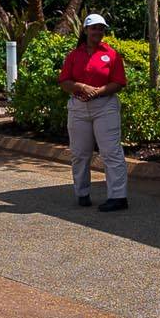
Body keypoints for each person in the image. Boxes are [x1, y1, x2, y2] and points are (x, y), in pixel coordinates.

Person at [58, 12, 130, 213]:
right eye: (94, 28)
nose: (98, 31)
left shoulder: (112, 55)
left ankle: (118, 196)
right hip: (79, 108)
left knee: (111, 152)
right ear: (86, 30)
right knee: (80, 153)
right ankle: (82, 193)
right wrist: (80, 86)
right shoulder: (74, 55)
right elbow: (64, 82)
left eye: (101, 28)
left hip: (105, 106)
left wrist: (98, 92)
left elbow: (118, 83)